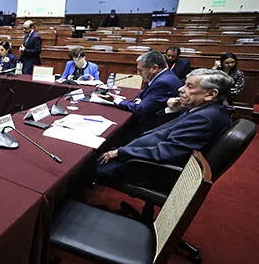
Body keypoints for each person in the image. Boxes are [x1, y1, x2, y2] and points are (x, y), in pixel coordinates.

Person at [96, 69, 233, 189]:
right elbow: (169, 131)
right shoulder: (208, 110)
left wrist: (120, 152)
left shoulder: (204, 119)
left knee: (87, 163)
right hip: (144, 155)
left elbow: (166, 153)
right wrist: (173, 110)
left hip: (146, 168)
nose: (180, 89)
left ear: (211, 94)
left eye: (189, 86)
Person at [103, 50, 182, 132]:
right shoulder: (162, 76)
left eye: (141, 70)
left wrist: (118, 100)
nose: (138, 73)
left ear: (154, 68)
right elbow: (143, 93)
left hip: (153, 127)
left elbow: (141, 109)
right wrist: (138, 100)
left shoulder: (163, 82)